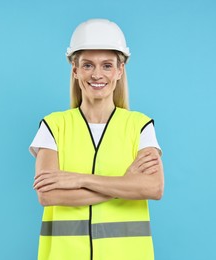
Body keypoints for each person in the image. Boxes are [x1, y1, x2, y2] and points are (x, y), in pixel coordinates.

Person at [30, 19, 164, 260]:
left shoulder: (140, 126)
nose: (97, 74)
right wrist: (125, 185)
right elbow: (47, 195)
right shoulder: (53, 126)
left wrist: (77, 179)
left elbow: (153, 188)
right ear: (75, 70)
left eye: (107, 65)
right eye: (88, 65)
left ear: (120, 70)